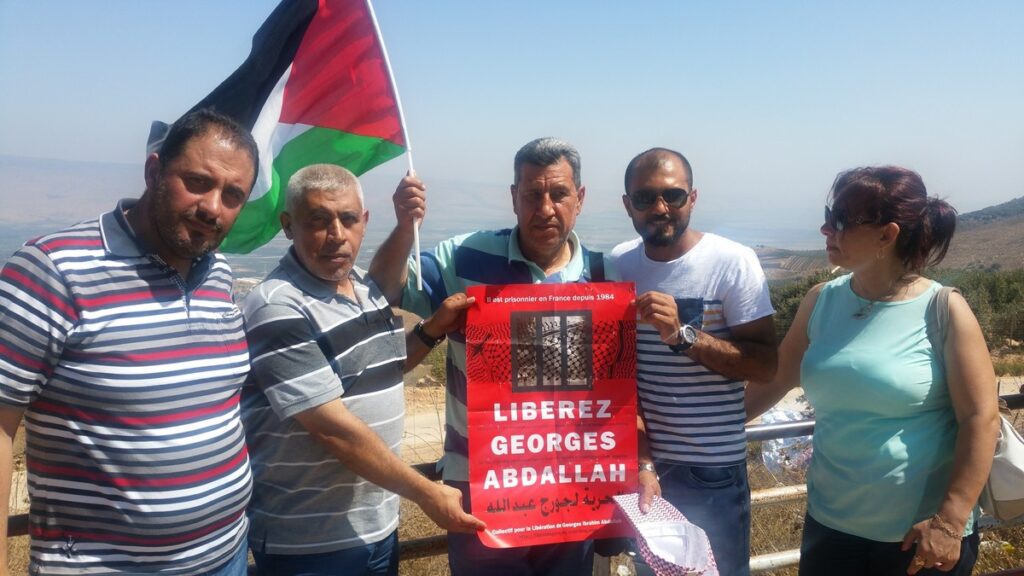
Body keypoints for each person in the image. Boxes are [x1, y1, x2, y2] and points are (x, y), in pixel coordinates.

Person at [0, 108, 259, 575]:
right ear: (154, 171)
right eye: (198, 181)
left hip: (226, 558)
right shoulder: (53, 270)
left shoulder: (218, 274)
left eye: (233, 194)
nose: (213, 207)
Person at [745, 166, 1000, 576]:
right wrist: (690, 432)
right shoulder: (820, 301)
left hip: (919, 537)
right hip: (830, 528)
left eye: (841, 221)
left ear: (887, 234)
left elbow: (981, 419)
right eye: (830, 214)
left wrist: (950, 523)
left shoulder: (945, 309)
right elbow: (776, 379)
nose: (826, 229)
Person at [368, 138, 603, 576]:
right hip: (482, 483)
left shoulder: (605, 274)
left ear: (581, 198)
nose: (546, 208)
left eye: (559, 194)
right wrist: (404, 225)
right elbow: (381, 289)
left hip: (572, 481)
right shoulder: (463, 255)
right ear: (513, 197)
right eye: (532, 194)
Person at [239, 164, 485, 576]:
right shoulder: (277, 307)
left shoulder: (363, 288)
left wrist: (431, 329)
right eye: (317, 220)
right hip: (310, 542)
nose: (336, 234)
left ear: (365, 222)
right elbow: (332, 428)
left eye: (348, 219)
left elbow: (382, 368)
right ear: (288, 225)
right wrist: (426, 493)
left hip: (376, 527)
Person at [609, 148, 777, 576]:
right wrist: (641, 462)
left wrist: (684, 336)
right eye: (645, 198)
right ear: (627, 204)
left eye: (673, 195)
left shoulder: (732, 262)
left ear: (693, 198)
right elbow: (620, 376)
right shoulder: (618, 265)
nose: (660, 208)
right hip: (645, 471)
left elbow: (763, 365)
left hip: (712, 470)